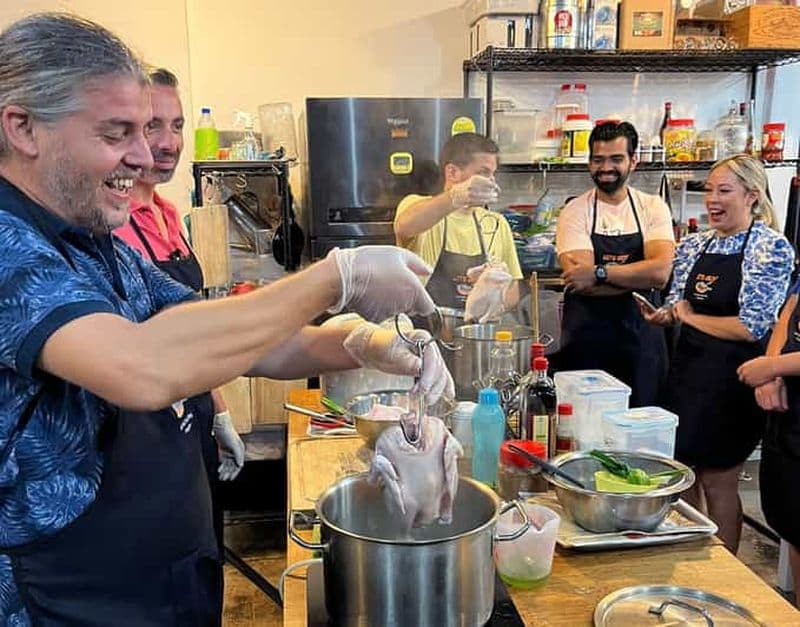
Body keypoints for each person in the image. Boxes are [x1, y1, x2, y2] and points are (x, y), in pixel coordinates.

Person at [0, 13, 453, 625]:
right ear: (22, 127)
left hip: (158, 577)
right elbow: (140, 366)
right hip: (71, 598)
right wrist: (333, 276)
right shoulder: (9, 246)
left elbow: (233, 337)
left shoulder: (92, 240)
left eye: (152, 129)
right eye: (116, 133)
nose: (142, 156)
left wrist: (362, 344)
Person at [113, 66, 244, 608]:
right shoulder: (113, 222)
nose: (166, 144)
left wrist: (221, 411)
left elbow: (190, 328)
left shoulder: (169, 214)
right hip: (148, 423)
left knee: (204, 555)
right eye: (151, 127)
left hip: (194, 410)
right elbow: (145, 346)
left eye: (177, 126)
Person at [643, 155, 794, 553]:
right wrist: (665, 317)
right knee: (683, 476)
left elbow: (751, 326)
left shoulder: (769, 247)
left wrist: (689, 317)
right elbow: (679, 308)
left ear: (752, 196)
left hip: (734, 381)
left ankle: (723, 572)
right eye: (708, 189)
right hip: (687, 375)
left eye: (723, 190)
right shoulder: (694, 244)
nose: (712, 199)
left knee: (719, 479)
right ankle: (688, 555)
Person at [555, 121, 675, 406]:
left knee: (642, 429)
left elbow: (660, 273)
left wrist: (598, 272)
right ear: (589, 163)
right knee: (585, 430)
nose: (606, 167)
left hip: (642, 344)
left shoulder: (652, 207)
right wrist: (637, 276)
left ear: (633, 161)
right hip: (587, 344)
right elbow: (579, 283)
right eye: (598, 159)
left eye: (616, 159)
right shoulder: (575, 211)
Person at [393, 132, 523, 323]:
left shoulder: (496, 224)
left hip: (476, 335)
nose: (492, 181)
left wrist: (499, 302)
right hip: (424, 334)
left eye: (493, 174)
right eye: (483, 173)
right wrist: (456, 196)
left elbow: (513, 287)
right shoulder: (419, 206)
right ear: (452, 172)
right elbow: (405, 226)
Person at [737, 282, 800, 601]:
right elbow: (790, 309)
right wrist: (772, 376)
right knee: (793, 526)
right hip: (789, 416)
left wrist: (774, 366)